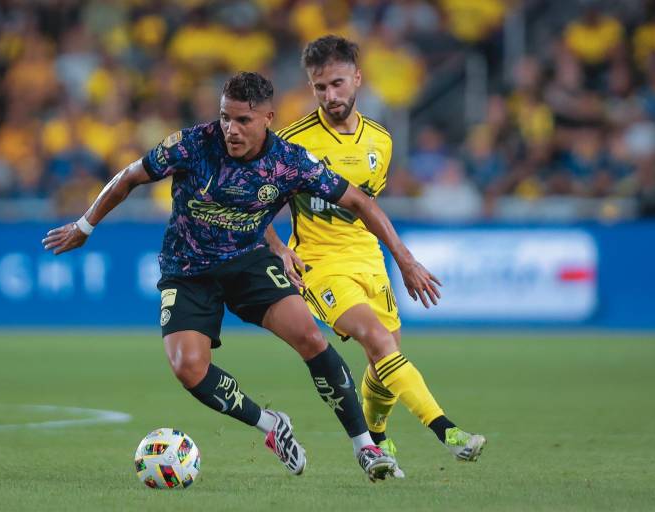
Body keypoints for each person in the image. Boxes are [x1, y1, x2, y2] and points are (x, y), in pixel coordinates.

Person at [42, 72, 440, 481]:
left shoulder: (290, 162)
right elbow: (129, 176)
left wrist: (404, 260)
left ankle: (366, 447)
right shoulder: (193, 144)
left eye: (243, 120)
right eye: (225, 117)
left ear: (268, 117)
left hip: (248, 262)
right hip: (188, 270)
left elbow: (359, 200)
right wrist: (84, 226)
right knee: (188, 368)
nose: (231, 129)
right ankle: (270, 425)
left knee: (310, 337)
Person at [266, 36, 486, 465]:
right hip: (321, 265)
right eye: (319, 87)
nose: (330, 96)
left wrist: (400, 260)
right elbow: (258, 206)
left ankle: (378, 436)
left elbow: (367, 206)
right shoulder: (292, 143)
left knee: (386, 359)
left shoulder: (380, 143)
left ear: (357, 79)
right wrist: (278, 247)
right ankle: (448, 431)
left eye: (337, 83)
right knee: (378, 339)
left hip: (369, 261)